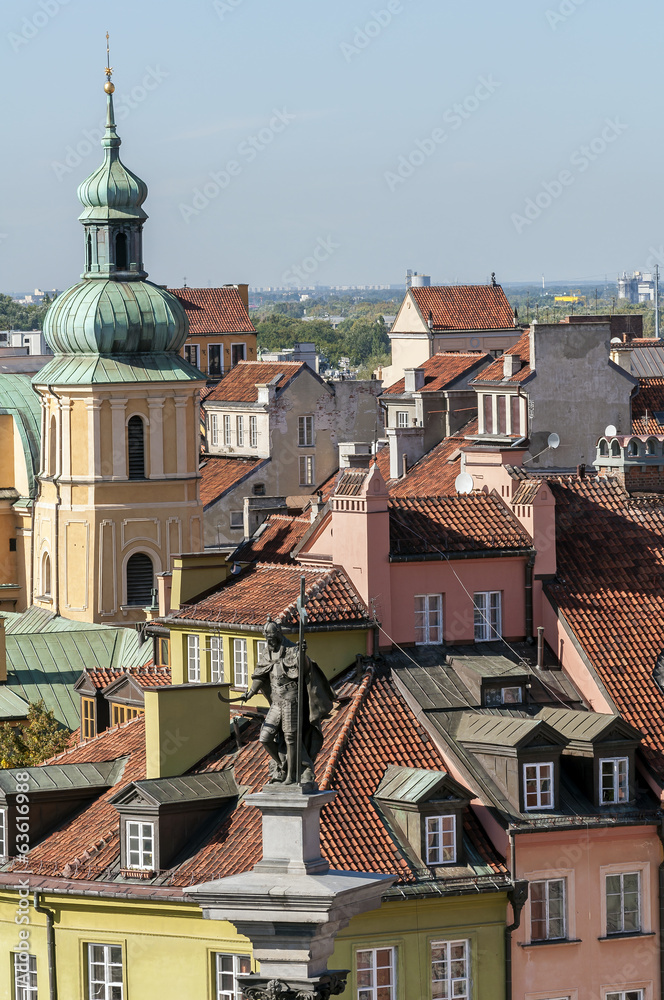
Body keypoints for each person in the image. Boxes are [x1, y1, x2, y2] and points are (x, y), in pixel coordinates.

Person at [243, 617, 335, 786]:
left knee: (290, 737)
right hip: (276, 701)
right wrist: (250, 693)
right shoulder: (267, 652)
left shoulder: (293, 650)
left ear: (278, 634)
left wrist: (303, 655)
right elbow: (260, 674)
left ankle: (291, 776)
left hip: (291, 698)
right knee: (265, 737)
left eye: (271, 638)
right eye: (267, 639)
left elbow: (305, 669)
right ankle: (282, 766)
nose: (269, 642)